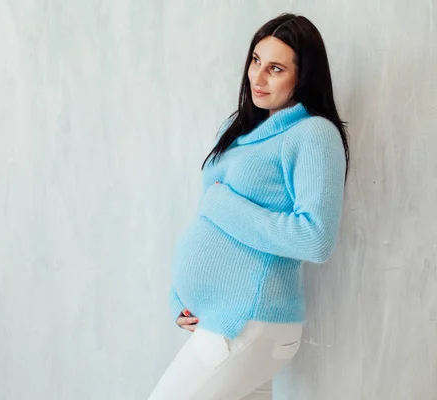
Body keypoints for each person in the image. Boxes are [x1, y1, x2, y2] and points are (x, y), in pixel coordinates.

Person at [148, 13, 350, 400]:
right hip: (223, 321)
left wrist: (224, 204)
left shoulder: (313, 135)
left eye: (275, 68)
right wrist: (182, 296)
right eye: (255, 61)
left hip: (247, 324)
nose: (257, 78)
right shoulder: (239, 130)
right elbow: (206, 219)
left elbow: (316, 238)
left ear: (303, 76)